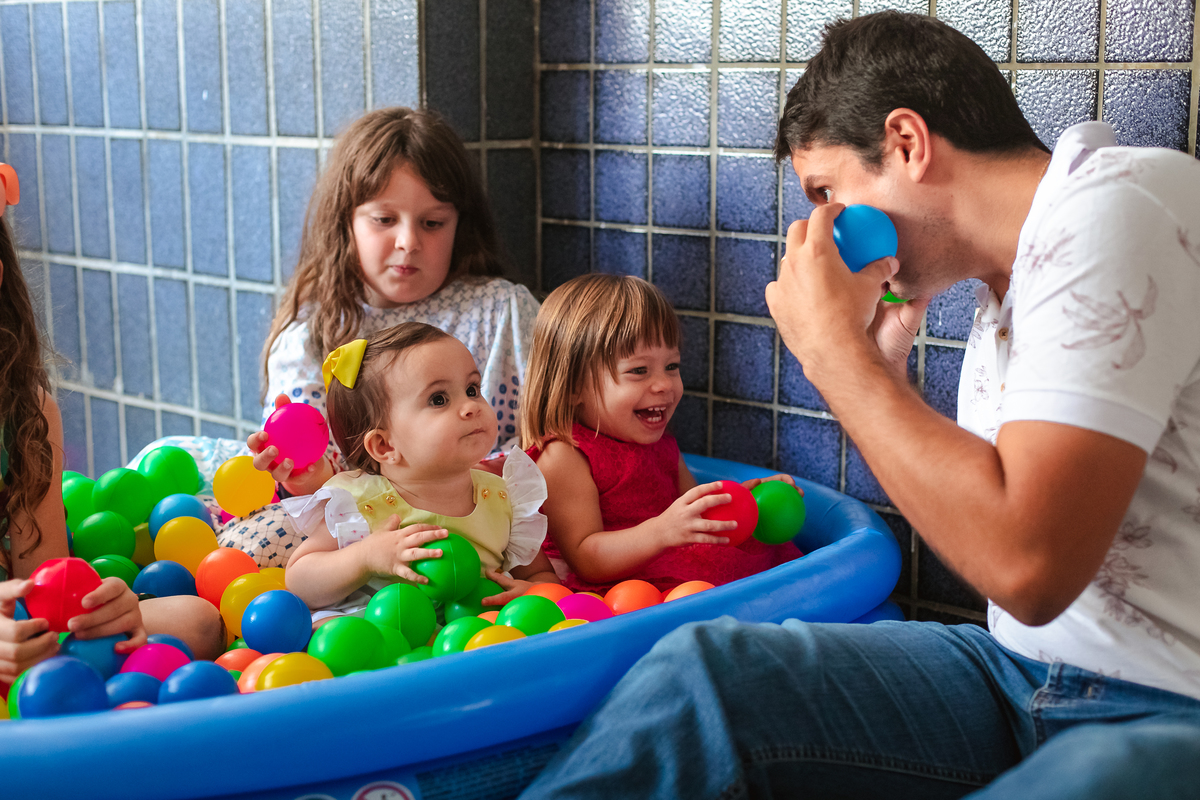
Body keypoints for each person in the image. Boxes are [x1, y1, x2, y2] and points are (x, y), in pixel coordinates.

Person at [520, 11, 1200, 800]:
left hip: (1166, 705)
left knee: (1093, 778)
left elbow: (1028, 565)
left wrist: (837, 359)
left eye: (827, 193)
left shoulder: (1120, 205)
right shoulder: (1007, 285)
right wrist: (878, 374)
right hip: (1025, 673)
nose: (822, 232)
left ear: (906, 143)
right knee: (706, 673)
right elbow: (996, 525)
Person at [131, 106, 540, 568]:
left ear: (459, 225)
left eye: (432, 223)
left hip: (471, 511)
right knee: (242, 544)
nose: (408, 241)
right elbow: (318, 485)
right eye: (384, 220)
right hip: (358, 522)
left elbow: (547, 432)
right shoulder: (314, 328)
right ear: (346, 221)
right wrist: (301, 472)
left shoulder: (500, 310)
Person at [0, 166, 223, 682]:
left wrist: (102, 612)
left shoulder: (25, 411)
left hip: (22, 651)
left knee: (197, 621)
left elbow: (43, 584)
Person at [521, 274, 801, 593]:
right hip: (617, 584)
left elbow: (691, 512)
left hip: (665, 561)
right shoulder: (565, 456)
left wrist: (742, 503)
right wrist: (661, 532)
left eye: (672, 366)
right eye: (639, 371)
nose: (665, 384)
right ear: (572, 386)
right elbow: (586, 558)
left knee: (768, 550)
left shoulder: (660, 444)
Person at [282, 323, 559, 621]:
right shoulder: (360, 504)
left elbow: (544, 577)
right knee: (322, 626)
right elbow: (299, 581)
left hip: (478, 638)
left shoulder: (502, 497)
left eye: (472, 389)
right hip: (383, 638)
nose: (470, 407)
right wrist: (364, 558)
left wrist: (528, 592)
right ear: (384, 445)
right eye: (439, 399)